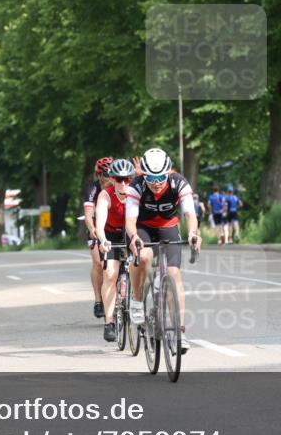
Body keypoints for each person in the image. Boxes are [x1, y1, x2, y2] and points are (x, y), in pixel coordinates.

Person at [125, 148, 202, 354]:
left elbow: (190, 214)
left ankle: (180, 332)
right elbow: (130, 220)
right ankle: (137, 301)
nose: (156, 182)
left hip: (168, 227)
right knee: (144, 256)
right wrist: (134, 237)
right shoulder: (137, 186)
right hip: (142, 227)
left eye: (161, 177)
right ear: (144, 175)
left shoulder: (179, 183)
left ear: (168, 173)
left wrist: (193, 233)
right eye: (151, 177)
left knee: (174, 274)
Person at [95, 159, 136, 343]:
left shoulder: (136, 193)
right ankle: (109, 322)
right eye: (119, 179)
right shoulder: (105, 195)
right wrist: (103, 240)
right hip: (110, 235)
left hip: (130, 233)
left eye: (127, 179)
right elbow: (100, 224)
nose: (123, 183)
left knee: (141, 265)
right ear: (112, 179)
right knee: (110, 274)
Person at [83, 156, 112, 319]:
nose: (107, 178)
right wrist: (92, 228)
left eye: (110, 174)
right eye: (105, 174)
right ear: (99, 175)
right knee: (99, 263)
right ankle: (98, 300)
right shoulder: (93, 188)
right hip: (95, 226)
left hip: (114, 227)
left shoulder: (119, 185)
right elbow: (88, 215)